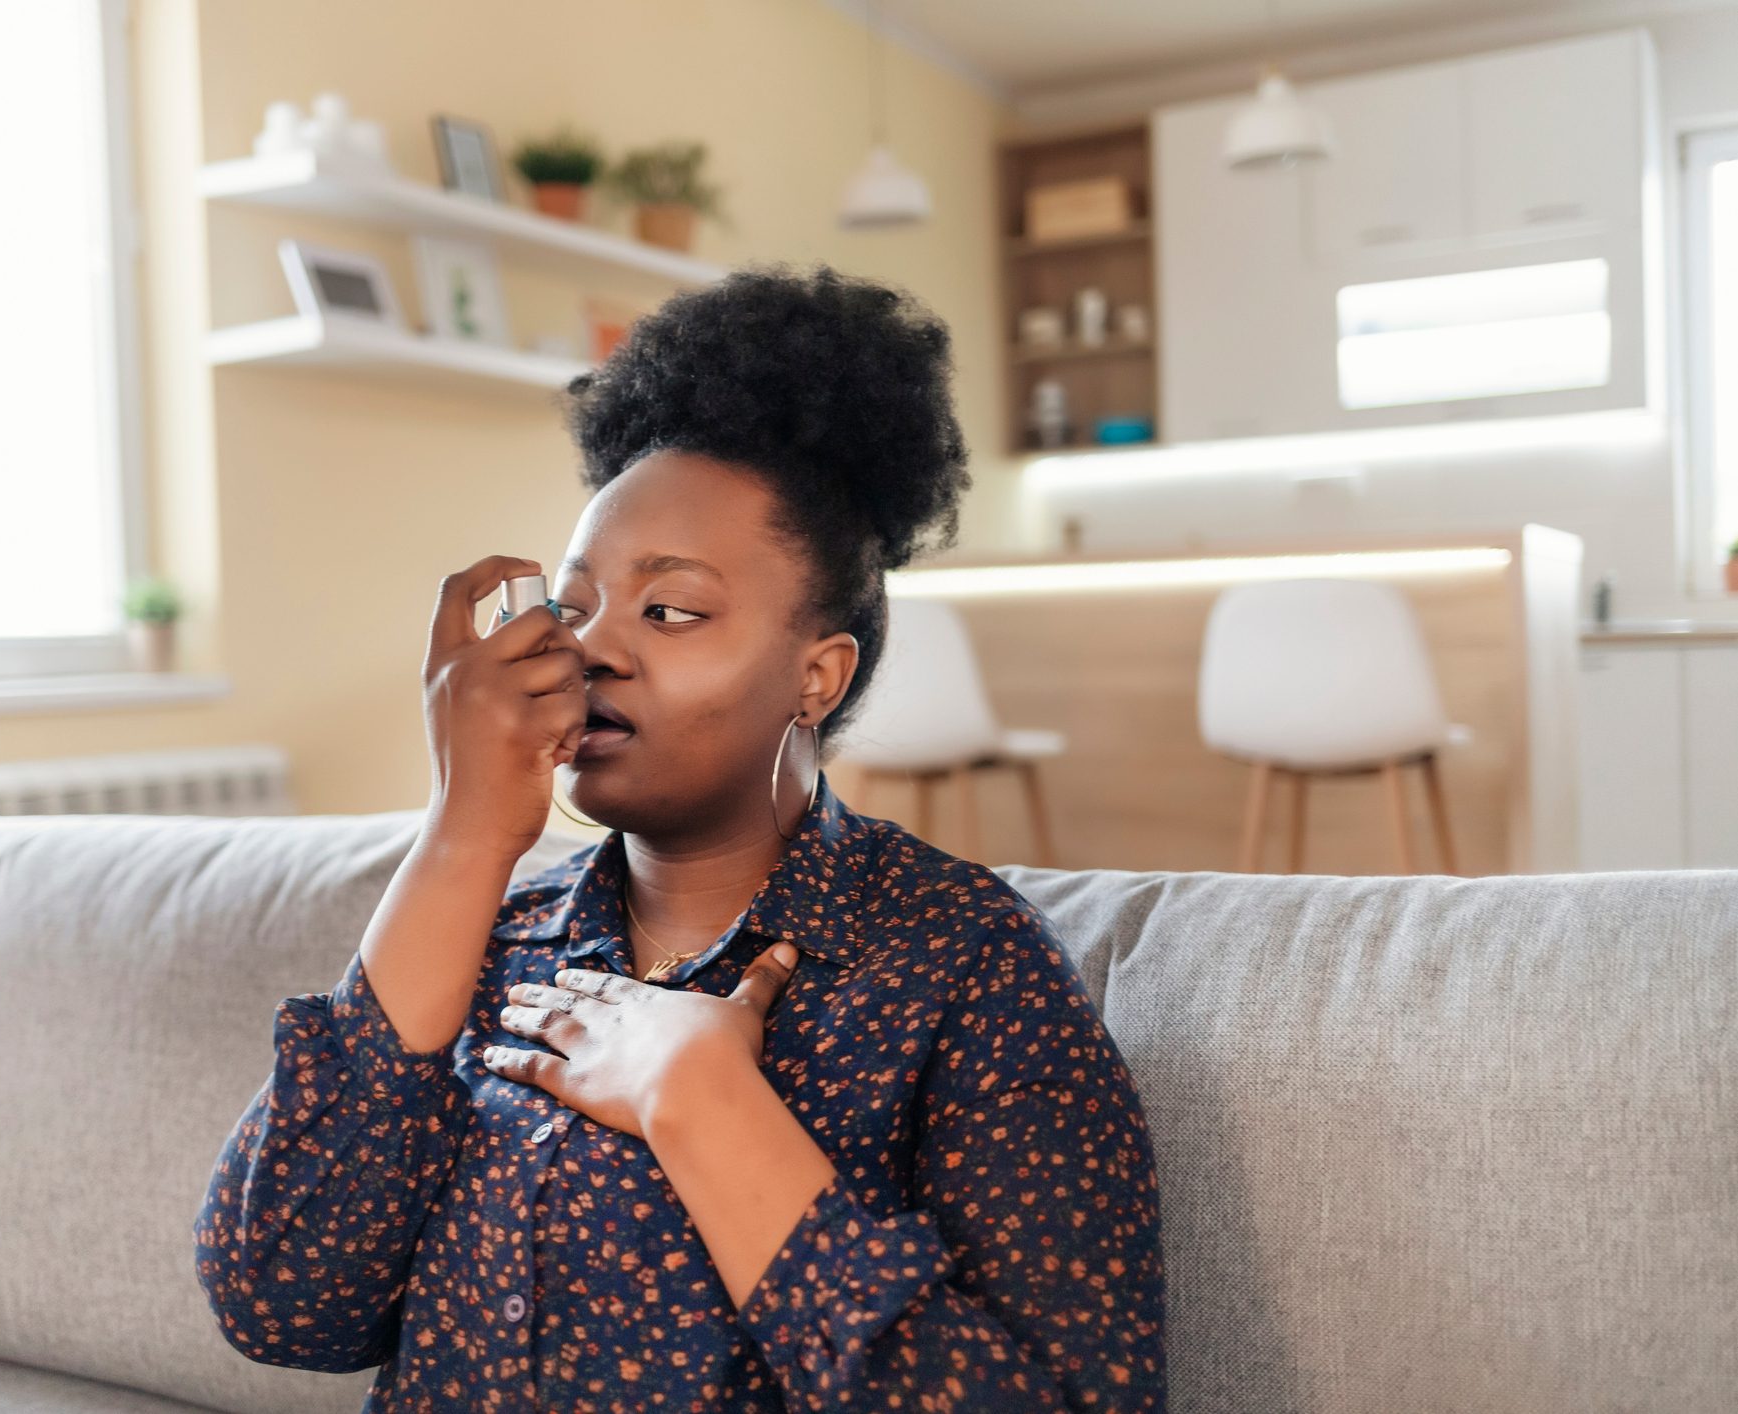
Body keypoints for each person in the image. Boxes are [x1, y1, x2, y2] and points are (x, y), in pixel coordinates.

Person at [194, 262, 1167, 1411]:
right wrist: (463, 837)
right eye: (576, 603)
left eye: (671, 610)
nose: (591, 650)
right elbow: (282, 1302)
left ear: (818, 675)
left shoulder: (961, 967)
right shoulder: (490, 936)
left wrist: (703, 1100)